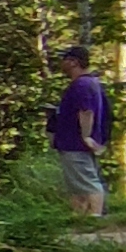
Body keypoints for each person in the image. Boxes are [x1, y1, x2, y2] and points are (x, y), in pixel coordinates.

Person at [49, 45, 114, 215]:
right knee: (78, 185)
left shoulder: (82, 85)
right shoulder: (91, 83)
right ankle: (80, 218)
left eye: (64, 60)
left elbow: (86, 111)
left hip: (76, 144)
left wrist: (86, 136)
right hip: (72, 144)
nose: (61, 64)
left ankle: (94, 219)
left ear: (73, 62)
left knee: (88, 183)